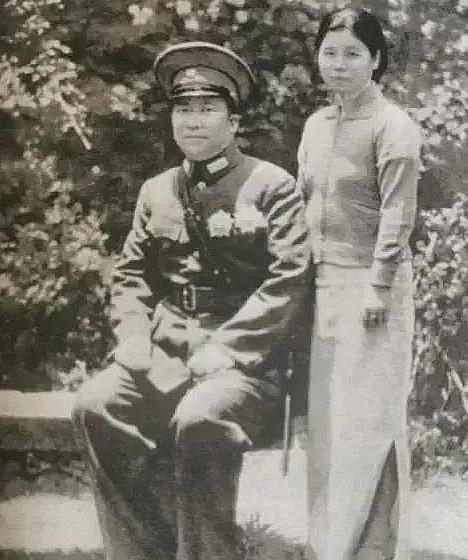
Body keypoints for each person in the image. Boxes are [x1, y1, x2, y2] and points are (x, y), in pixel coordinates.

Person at [72, 41, 310, 560]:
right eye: (183, 109)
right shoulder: (157, 191)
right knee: (96, 405)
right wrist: (133, 334)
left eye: (207, 109)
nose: (193, 121)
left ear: (234, 120)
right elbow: (130, 275)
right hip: (167, 355)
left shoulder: (271, 186)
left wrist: (227, 348)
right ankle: (143, 551)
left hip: (247, 368)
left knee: (200, 419)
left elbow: (289, 279)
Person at [297, 8, 420, 560]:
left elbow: (398, 214)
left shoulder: (394, 126)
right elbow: (303, 201)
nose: (339, 64)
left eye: (353, 54)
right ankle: (326, 547)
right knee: (327, 423)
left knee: (369, 422)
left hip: (375, 291)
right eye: (330, 53)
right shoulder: (316, 126)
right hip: (322, 285)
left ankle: (372, 549)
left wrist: (379, 285)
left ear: (376, 60)